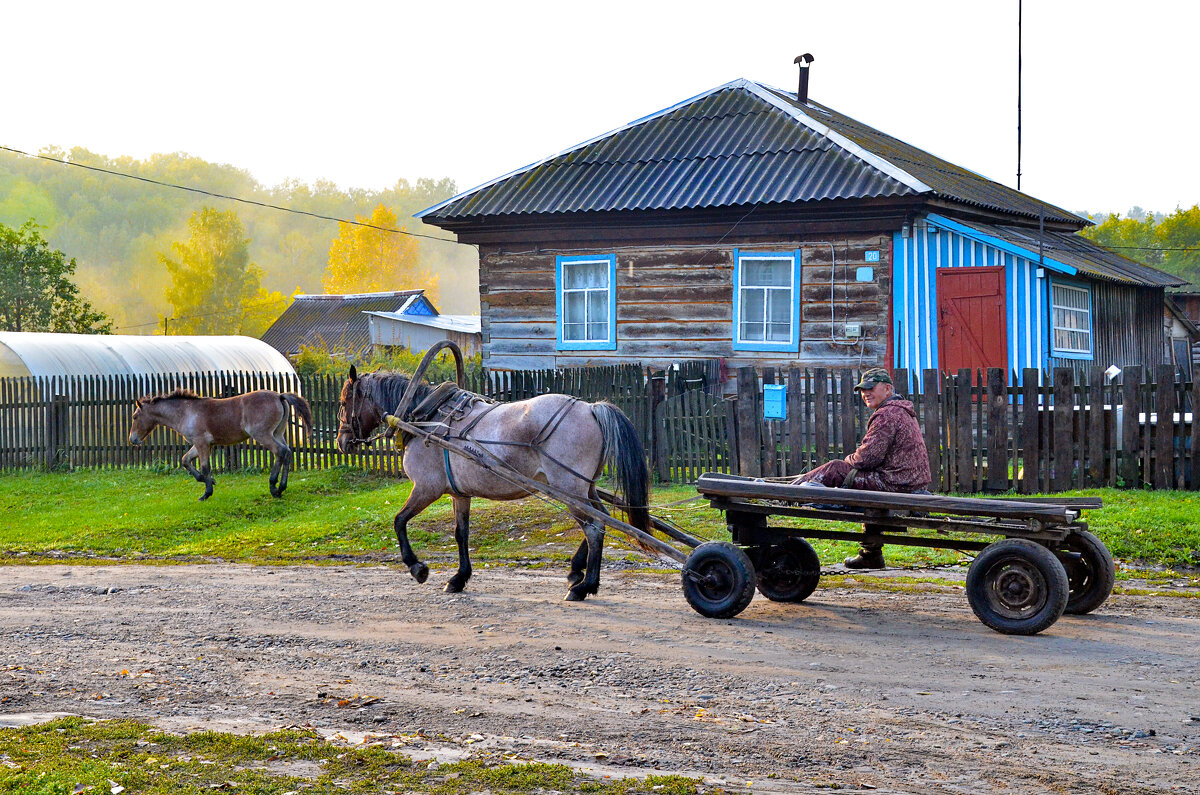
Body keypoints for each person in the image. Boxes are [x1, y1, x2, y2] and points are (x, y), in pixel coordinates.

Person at [793, 367, 931, 569]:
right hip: (906, 482)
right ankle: (871, 555)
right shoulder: (901, 411)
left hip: (895, 484)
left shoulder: (887, 415)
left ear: (887, 388)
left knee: (836, 468)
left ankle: (789, 493)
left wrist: (848, 460)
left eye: (870, 388)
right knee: (854, 476)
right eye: (862, 389)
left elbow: (866, 459)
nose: (865, 393)